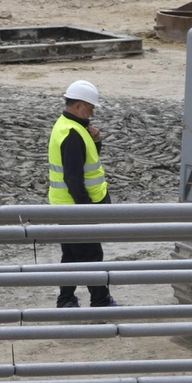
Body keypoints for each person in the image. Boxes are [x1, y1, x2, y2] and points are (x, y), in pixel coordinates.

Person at [47, 80, 117, 308]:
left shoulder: (68, 127)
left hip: (66, 206)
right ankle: (101, 303)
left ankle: (66, 300)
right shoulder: (72, 133)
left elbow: (85, 162)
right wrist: (86, 209)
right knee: (91, 257)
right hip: (77, 209)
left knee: (71, 256)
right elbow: (74, 178)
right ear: (78, 106)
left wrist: (96, 141)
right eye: (90, 107)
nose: (92, 112)